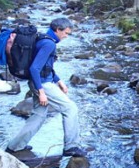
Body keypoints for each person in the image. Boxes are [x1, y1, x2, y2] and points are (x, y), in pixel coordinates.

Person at [6, 17, 86, 158]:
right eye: (66, 33)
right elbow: (35, 68)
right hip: (43, 84)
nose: (66, 36)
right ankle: (71, 146)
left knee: (39, 115)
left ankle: (15, 146)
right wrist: (41, 92)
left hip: (40, 82)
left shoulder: (44, 38)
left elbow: (46, 67)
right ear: (58, 30)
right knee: (70, 108)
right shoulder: (49, 44)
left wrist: (59, 80)